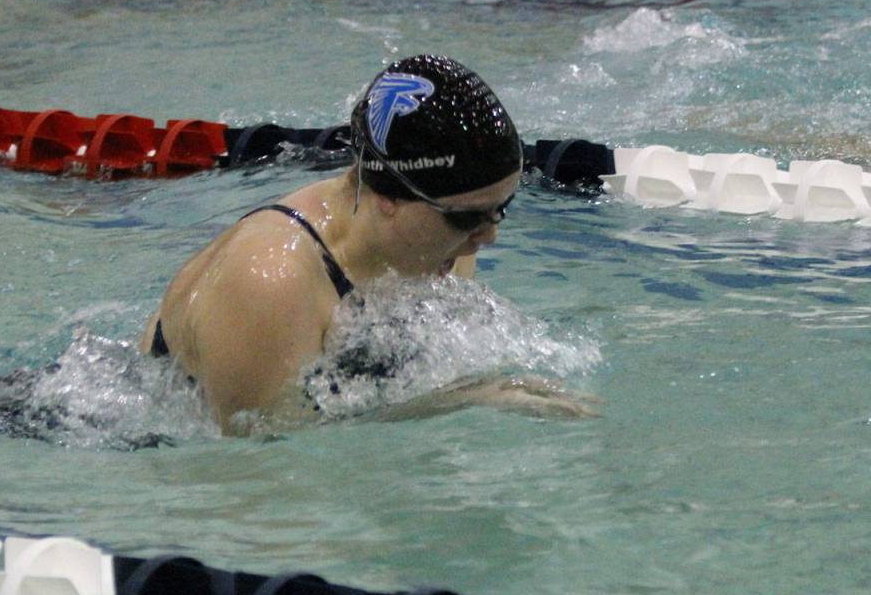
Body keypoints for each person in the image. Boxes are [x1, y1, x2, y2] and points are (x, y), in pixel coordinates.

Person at [140, 54, 594, 433]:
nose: (488, 235)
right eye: (467, 218)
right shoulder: (268, 283)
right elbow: (264, 451)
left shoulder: (443, 250)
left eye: (502, 208)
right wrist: (461, 399)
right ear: (387, 197)